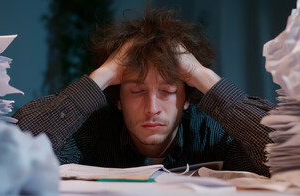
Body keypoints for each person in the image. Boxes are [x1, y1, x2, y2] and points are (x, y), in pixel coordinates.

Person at [14, 9, 275, 177]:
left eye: (168, 91)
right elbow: (13, 151)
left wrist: (201, 74)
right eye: (136, 90)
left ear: (187, 98)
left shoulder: (214, 134)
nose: (152, 107)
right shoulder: (90, 134)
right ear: (118, 98)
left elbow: (291, 152)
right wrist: (103, 74)